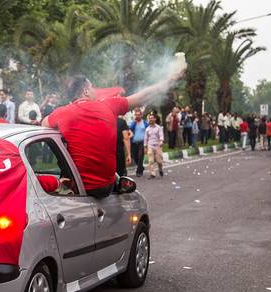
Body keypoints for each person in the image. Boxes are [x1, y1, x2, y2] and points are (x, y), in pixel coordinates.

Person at [42, 71, 183, 198]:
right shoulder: (107, 105)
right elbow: (142, 97)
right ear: (85, 91)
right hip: (105, 188)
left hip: (78, 188)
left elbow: (43, 124)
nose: (95, 91)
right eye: (92, 88)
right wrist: (169, 80)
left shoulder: (61, 113)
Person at [144, 114, 164, 179]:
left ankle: (160, 169)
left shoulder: (159, 128)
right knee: (150, 161)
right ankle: (152, 174)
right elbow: (145, 138)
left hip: (158, 145)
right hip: (150, 146)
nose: (151, 119)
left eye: (152, 118)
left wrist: (161, 141)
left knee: (159, 161)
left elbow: (161, 136)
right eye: (150, 118)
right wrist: (145, 146)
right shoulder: (147, 129)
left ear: (155, 119)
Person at [130, 109, 148, 177]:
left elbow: (148, 131)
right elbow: (129, 129)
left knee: (140, 156)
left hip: (142, 142)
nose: (137, 116)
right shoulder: (133, 123)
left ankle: (139, 171)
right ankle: (141, 167)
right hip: (134, 143)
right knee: (134, 157)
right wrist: (134, 122)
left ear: (141, 115)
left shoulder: (145, 123)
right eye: (136, 115)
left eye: (138, 115)